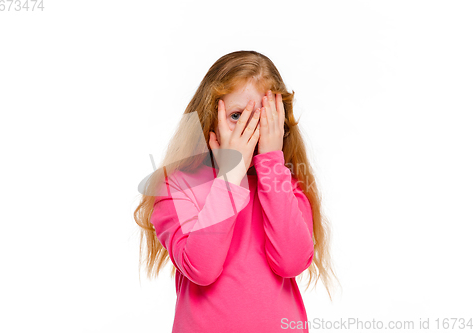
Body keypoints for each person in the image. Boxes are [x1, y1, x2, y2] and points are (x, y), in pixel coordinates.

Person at [134, 50, 339, 333]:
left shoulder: (285, 185)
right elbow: (201, 269)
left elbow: (291, 262)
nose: (250, 130)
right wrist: (231, 176)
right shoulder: (176, 185)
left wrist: (270, 164)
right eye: (236, 116)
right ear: (210, 116)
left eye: (261, 118)